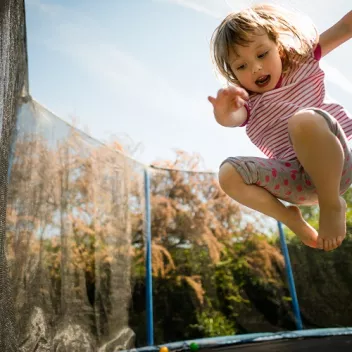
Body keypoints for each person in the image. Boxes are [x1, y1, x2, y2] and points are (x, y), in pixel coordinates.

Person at [208, 4, 352, 251]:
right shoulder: (247, 102)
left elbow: (345, 27)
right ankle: (290, 218)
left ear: (280, 48)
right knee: (228, 173)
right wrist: (224, 112)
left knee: (303, 120)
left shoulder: (302, 63)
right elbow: (232, 118)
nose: (255, 68)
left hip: (337, 164)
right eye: (241, 66)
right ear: (232, 73)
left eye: (262, 54)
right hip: (297, 183)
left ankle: (331, 204)